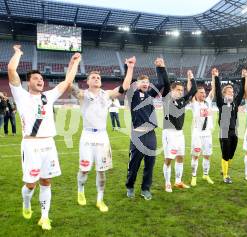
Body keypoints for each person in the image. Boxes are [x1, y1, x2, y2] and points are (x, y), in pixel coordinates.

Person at [8, 45, 80, 230]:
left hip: (49, 144)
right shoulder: (21, 95)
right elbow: (11, 70)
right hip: (31, 145)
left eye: (41, 78)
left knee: (46, 182)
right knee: (31, 185)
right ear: (28, 82)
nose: (40, 80)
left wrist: (74, 62)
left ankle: (45, 217)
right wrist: (18, 53)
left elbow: (67, 81)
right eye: (36, 78)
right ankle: (26, 203)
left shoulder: (48, 97)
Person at [70, 57, 135, 211]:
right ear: (87, 81)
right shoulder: (82, 95)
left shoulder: (107, 94)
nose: (97, 78)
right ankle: (80, 191)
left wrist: (130, 67)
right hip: (87, 136)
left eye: (98, 77)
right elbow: (68, 84)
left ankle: (100, 200)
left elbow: (125, 86)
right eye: (93, 77)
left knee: (101, 170)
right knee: (84, 169)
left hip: (102, 136)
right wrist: (73, 64)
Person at [125, 58, 168, 200]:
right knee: (134, 164)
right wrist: (129, 68)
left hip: (150, 134)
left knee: (150, 164)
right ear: (137, 84)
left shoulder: (150, 96)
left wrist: (160, 68)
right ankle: (130, 186)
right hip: (137, 134)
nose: (145, 83)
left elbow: (162, 83)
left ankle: (145, 189)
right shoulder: (133, 95)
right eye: (142, 81)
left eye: (147, 82)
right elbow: (127, 85)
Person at [162, 69, 197, 192]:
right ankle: (167, 183)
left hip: (179, 134)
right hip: (169, 133)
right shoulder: (167, 99)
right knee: (168, 158)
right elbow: (166, 83)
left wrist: (191, 77)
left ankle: (178, 181)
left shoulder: (182, 100)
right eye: (178, 90)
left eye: (182, 90)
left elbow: (194, 90)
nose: (181, 92)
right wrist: (161, 68)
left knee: (180, 157)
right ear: (172, 90)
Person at [212, 68, 245, 184]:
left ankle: (224, 166)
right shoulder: (221, 103)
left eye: (232, 91)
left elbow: (241, 92)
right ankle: (226, 175)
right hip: (224, 131)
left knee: (231, 154)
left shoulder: (235, 103)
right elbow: (216, 90)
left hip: (234, 131)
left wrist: (243, 77)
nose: (232, 93)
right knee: (226, 154)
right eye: (229, 91)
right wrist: (216, 76)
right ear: (224, 93)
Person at [190, 82, 215, 186]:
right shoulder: (194, 104)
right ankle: (194, 176)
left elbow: (213, 91)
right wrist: (189, 78)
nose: (203, 94)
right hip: (197, 134)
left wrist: (214, 77)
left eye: (204, 92)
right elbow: (190, 91)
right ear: (196, 94)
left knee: (207, 155)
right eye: (201, 93)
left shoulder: (208, 102)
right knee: (196, 156)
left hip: (207, 134)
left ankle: (205, 174)